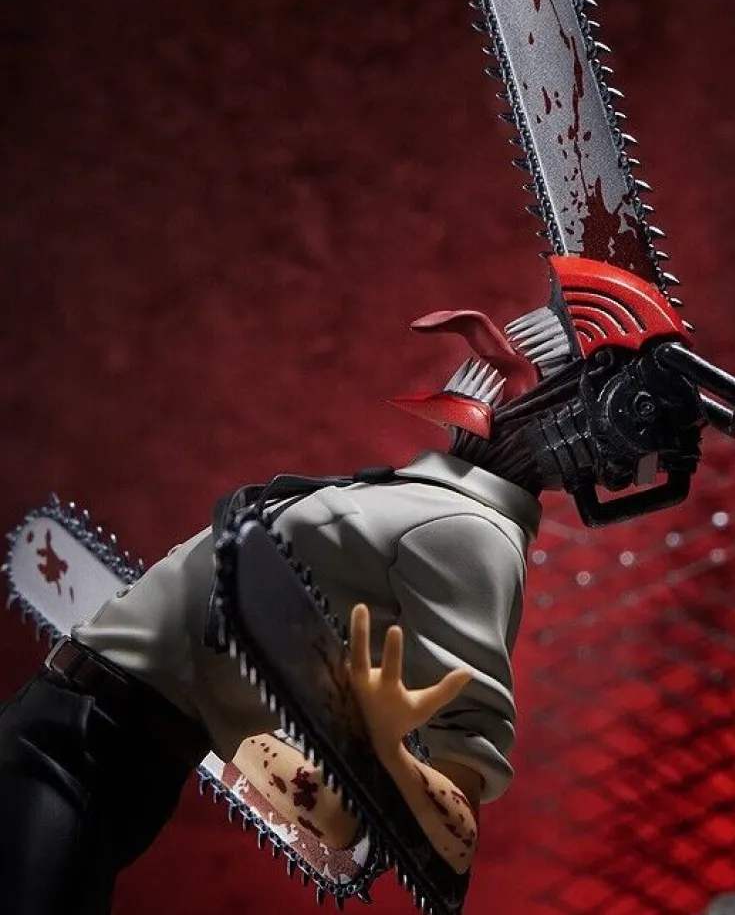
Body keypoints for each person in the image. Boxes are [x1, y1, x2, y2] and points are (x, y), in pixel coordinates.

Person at [0, 328, 543, 914]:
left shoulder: (466, 527)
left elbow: (445, 836)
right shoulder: (429, 508)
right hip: (83, 743)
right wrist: (369, 751)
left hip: (118, 754)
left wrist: (381, 751)